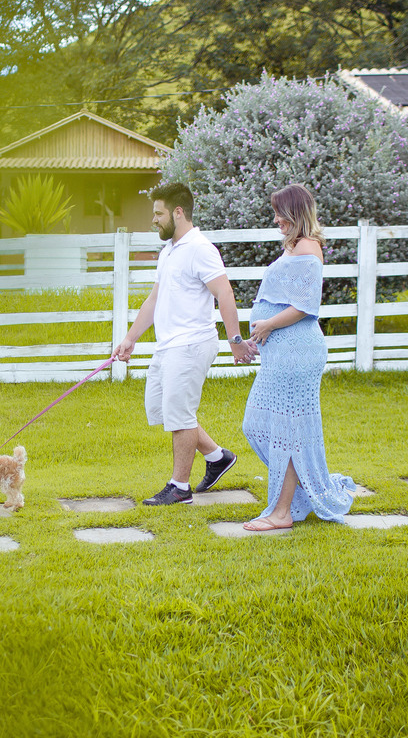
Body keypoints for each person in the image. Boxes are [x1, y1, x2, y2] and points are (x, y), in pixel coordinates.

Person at [112, 181, 255, 506]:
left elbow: (225, 293)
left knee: (180, 414)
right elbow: (154, 299)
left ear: (178, 212)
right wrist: (130, 338)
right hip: (168, 346)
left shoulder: (200, 249)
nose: (154, 220)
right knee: (162, 409)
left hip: (191, 344)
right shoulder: (169, 251)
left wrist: (235, 340)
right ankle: (218, 457)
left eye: (159, 213)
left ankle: (179, 487)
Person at [242, 184, 356, 531]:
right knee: (257, 426)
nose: (276, 218)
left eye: (281, 212)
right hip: (282, 353)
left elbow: (306, 306)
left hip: (296, 352)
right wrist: (262, 333)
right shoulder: (295, 247)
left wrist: (268, 326)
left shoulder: (308, 247)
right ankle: (303, 489)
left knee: (285, 433)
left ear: (296, 213)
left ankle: (281, 512)